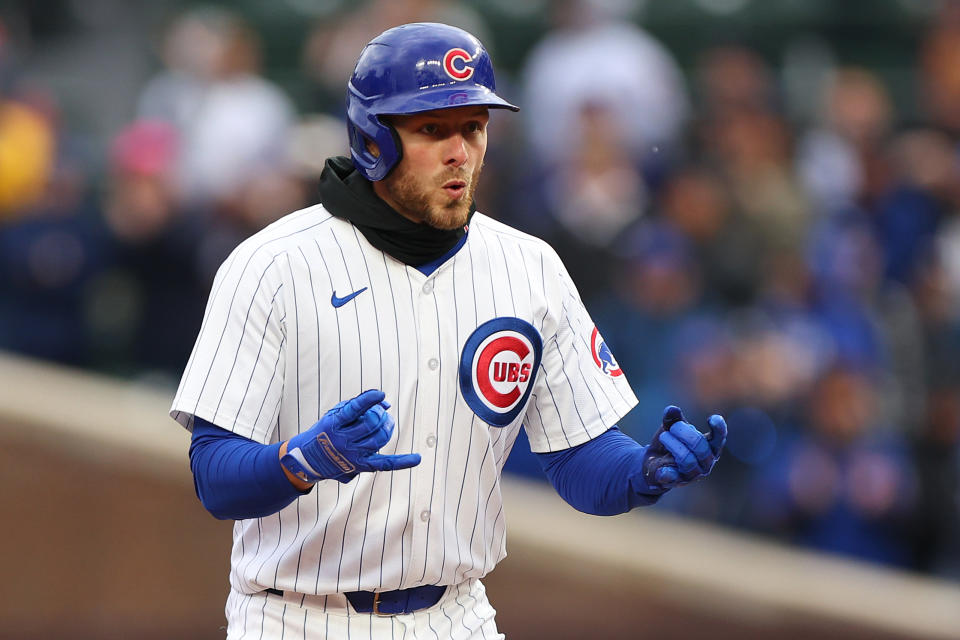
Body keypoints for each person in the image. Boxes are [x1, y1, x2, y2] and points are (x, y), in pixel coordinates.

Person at [170, 23, 727, 639]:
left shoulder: (530, 266)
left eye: (474, 128)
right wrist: (303, 459)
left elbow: (579, 457)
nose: (461, 150)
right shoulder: (272, 265)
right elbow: (214, 475)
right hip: (297, 614)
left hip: (456, 615)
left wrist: (640, 472)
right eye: (432, 129)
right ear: (373, 140)